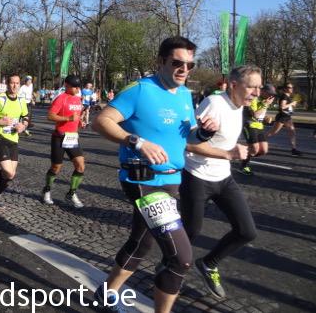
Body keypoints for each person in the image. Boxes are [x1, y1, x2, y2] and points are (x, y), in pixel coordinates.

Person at [92, 36, 218, 313]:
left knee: (142, 242)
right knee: (181, 259)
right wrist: (136, 142)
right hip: (144, 180)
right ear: (161, 61)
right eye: (177, 63)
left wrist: (204, 133)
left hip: (173, 180)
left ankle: (106, 292)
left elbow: (188, 136)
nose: (184, 70)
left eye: (190, 65)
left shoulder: (184, 94)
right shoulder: (140, 90)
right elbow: (100, 121)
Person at [182, 65, 259, 299]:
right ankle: (169, 265)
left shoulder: (241, 105)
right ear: (234, 85)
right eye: (252, 87)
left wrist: (247, 142)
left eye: (258, 87)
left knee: (246, 231)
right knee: (190, 232)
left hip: (223, 178)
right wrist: (228, 154)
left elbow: (232, 134)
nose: (257, 93)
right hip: (196, 176)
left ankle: (208, 264)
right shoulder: (214, 104)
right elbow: (188, 143)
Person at [0, 74, 30, 206]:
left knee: (11, 174)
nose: (14, 86)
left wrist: (23, 125)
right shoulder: (0, 99)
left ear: (20, 84)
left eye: (17, 83)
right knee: (8, 171)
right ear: (7, 84)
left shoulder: (21, 100)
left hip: (13, 138)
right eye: (12, 83)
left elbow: (25, 117)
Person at [42, 74, 87, 208]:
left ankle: (71, 193)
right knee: (56, 167)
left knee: (80, 165)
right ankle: (47, 190)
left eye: (78, 87)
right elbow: (50, 116)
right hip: (59, 137)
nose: (78, 89)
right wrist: (67, 119)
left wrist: (80, 122)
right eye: (75, 87)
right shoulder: (61, 98)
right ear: (67, 86)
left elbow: (77, 116)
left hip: (72, 137)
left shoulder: (78, 100)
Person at [240, 83, 277, 175]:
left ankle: (245, 153)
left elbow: (260, 115)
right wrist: (265, 105)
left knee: (264, 150)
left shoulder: (264, 101)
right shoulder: (253, 99)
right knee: (255, 149)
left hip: (259, 126)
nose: (271, 96)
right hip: (249, 125)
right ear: (263, 91)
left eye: (272, 95)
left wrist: (266, 118)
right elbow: (255, 115)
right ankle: (244, 166)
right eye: (270, 94)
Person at [266, 83, 302, 156]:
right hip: (282, 117)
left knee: (292, 131)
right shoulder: (284, 96)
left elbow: (287, 107)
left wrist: (292, 105)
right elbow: (282, 107)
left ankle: (293, 149)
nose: (291, 89)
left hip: (287, 117)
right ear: (285, 89)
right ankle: (259, 141)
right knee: (273, 132)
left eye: (292, 87)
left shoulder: (287, 96)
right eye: (289, 87)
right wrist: (291, 104)